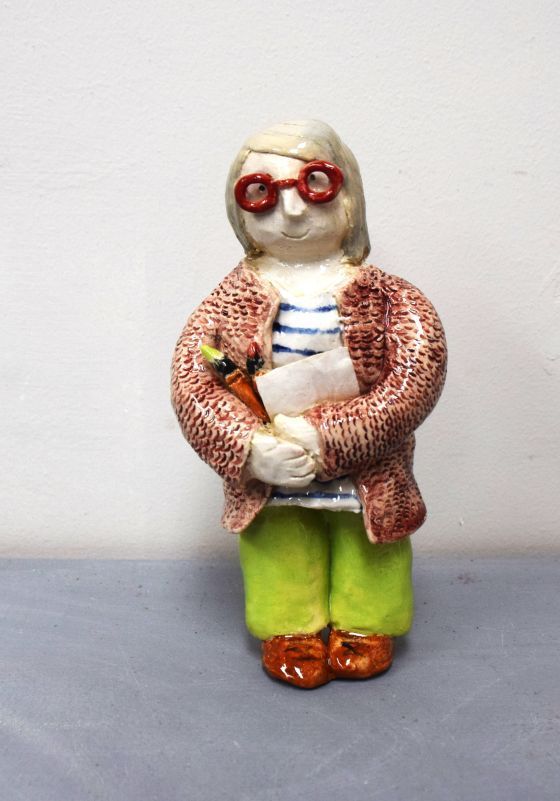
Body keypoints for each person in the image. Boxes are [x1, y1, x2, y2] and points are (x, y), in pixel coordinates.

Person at [171, 120, 447, 688]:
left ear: (349, 197)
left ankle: (366, 625)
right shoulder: (226, 303)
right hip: (273, 476)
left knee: (369, 545)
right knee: (280, 544)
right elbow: (193, 385)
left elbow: (415, 378)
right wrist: (249, 449)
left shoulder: (391, 299)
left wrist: (330, 437)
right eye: (263, 193)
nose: (292, 212)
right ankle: (289, 628)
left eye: (314, 185)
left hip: (368, 474)